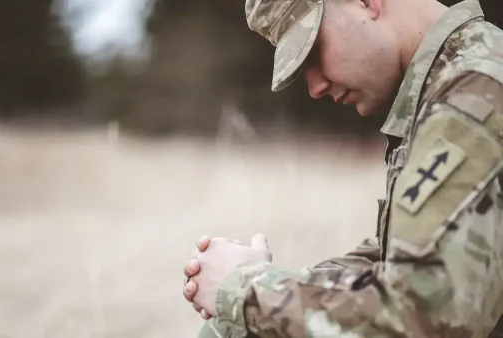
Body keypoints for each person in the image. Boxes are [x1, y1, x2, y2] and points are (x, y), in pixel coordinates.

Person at [181, 0, 503, 336]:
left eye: (315, 52)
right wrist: (269, 284)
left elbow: (424, 314)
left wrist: (247, 287)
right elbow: (398, 261)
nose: (315, 87)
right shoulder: (459, 80)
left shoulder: (473, 96)